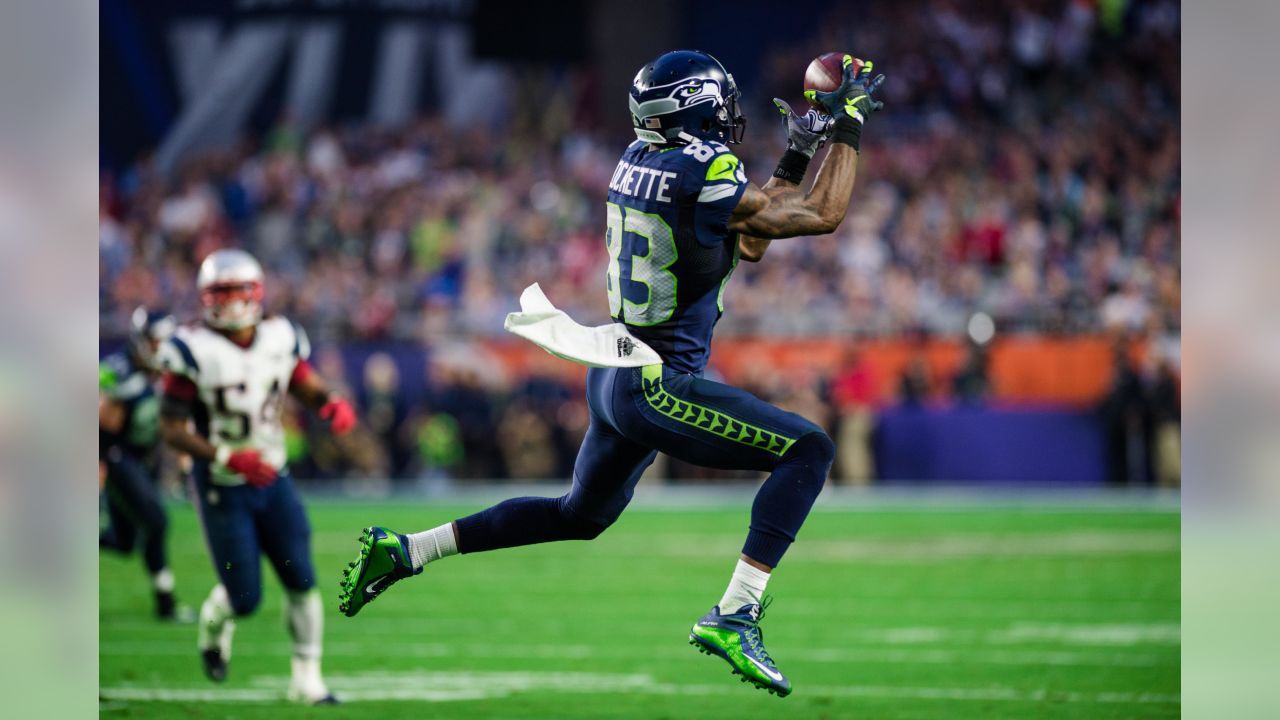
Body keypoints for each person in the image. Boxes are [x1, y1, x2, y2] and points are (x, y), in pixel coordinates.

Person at [338, 50, 885, 698]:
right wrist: (845, 122)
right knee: (809, 450)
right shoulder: (705, 169)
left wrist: (797, 155)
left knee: (580, 514)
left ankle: (407, 550)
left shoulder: (640, 160)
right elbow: (820, 216)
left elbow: (750, 236)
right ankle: (735, 613)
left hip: (614, 369)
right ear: (700, 109)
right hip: (655, 381)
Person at [156, 248, 357, 704]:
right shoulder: (191, 348)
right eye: (218, 292)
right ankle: (213, 626)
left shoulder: (279, 335)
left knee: (302, 580)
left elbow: (301, 378)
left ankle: (307, 681)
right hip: (222, 486)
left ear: (256, 293)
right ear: (205, 297)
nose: (227, 302)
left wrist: (328, 401)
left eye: (235, 291)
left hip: (274, 477)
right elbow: (171, 428)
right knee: (243, 597)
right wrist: (227, 456)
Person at [99, 306, 191, 621]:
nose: (161, 349)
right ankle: (165, 603)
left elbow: (172, 424)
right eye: (156, 341)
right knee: (157, 520)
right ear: (141, 340)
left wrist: (182, 461)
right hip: (115, 455)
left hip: (141, 459)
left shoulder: (171, 375)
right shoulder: (120, 372)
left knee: (124, 542)